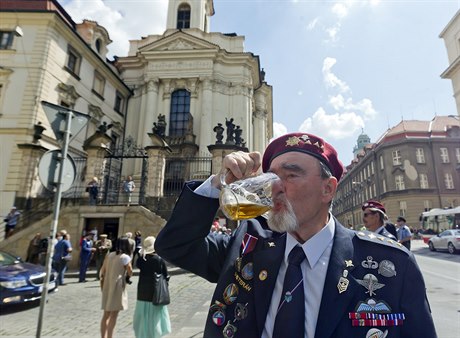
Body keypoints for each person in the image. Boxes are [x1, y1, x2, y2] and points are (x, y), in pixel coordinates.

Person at [155, 132, 437, 338]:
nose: (275, 187)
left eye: (290, 176)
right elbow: (174, 245)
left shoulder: (391, 264)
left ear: (328, 189)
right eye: (271, 177)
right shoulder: (248, 245)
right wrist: (218, 184)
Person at [133, 236, 171, 338]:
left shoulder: (141, 260)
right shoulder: (158, 260)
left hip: (142, 292)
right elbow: (166, 275)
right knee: (155, 318)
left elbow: (138, 264)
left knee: (142, 318)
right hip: (155, 292)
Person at [100, 237, 133, 338]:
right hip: (117, 284)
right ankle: (110, 336)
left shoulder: (109, 255)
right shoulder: (125, 257)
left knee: (106, 314)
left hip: (107, 284)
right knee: (114, 314)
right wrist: (127, 275)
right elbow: (130, 271)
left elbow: (103, 271)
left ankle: (103, 336)